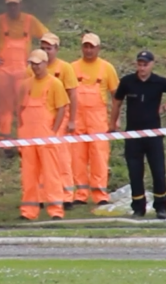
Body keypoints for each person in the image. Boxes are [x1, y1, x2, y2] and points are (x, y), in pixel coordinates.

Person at [110, 50, 166, 219]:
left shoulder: (158, 82)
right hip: (133, 135)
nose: (142, 68)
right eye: (140, 64)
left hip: (153, 134)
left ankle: (161, 206)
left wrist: (165, 108)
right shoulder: (127, 82)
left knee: (158, 171)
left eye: (145, 65)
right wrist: (113, 123)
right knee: (135, 172)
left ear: (152, 65)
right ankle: (138, 207)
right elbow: (117, 102)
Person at [0, 0, 49, 141]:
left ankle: (24, 136)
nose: (13, 8)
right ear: (6, 6)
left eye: (15, 5)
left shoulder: (30, 21)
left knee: (24, 104)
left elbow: (48, 38)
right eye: (10, 5)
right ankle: (4, 137)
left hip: (24, 71)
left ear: (20, 5)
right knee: (4, 106)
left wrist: (40, 58)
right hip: (3, 71)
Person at [17, 49, 70, 220]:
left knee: (51, 175)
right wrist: (21, 129)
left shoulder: (55, 84)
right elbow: (19, 109)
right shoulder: (25, 85)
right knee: (29, 176)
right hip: (28, 138)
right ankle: (28, 212)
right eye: (32, 63)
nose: (35, 67)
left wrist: (53, 131)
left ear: (45, 63)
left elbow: (62, 108)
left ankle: (56, 211)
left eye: (38, 63)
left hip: (46, 137)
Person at [70, 32, 119, 206]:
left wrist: (115, 119)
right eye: (86, 46)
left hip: (98, 119)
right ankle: (80, 194)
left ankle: (100, 195)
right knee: (77, 157)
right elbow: (64, 93)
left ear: (98, 48)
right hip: (77, 118)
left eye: (92, 47)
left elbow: (117, 96)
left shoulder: (107, 68)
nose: (88, 50)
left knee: (99, 157)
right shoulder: (72, 68)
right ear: (81, 47)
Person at [33, 33, 78, 210]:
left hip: (59, 118)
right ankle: (44, 195)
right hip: (39, 121)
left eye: (49, 48)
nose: (46, 52)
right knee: (42, 159)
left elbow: (73, 94)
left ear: (56, 50)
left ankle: (67, 196)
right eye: (43, 48)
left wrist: (72, 120)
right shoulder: (33, 68)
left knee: (62, 158)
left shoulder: (65, 68)